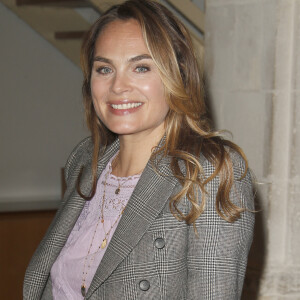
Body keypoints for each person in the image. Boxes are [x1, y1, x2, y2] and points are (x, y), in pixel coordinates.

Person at [23, 0, 255, 299]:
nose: (118, 86)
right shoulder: (84, 159)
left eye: (141, 67)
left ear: (177, 75)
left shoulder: (209, 172)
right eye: (105, 69)